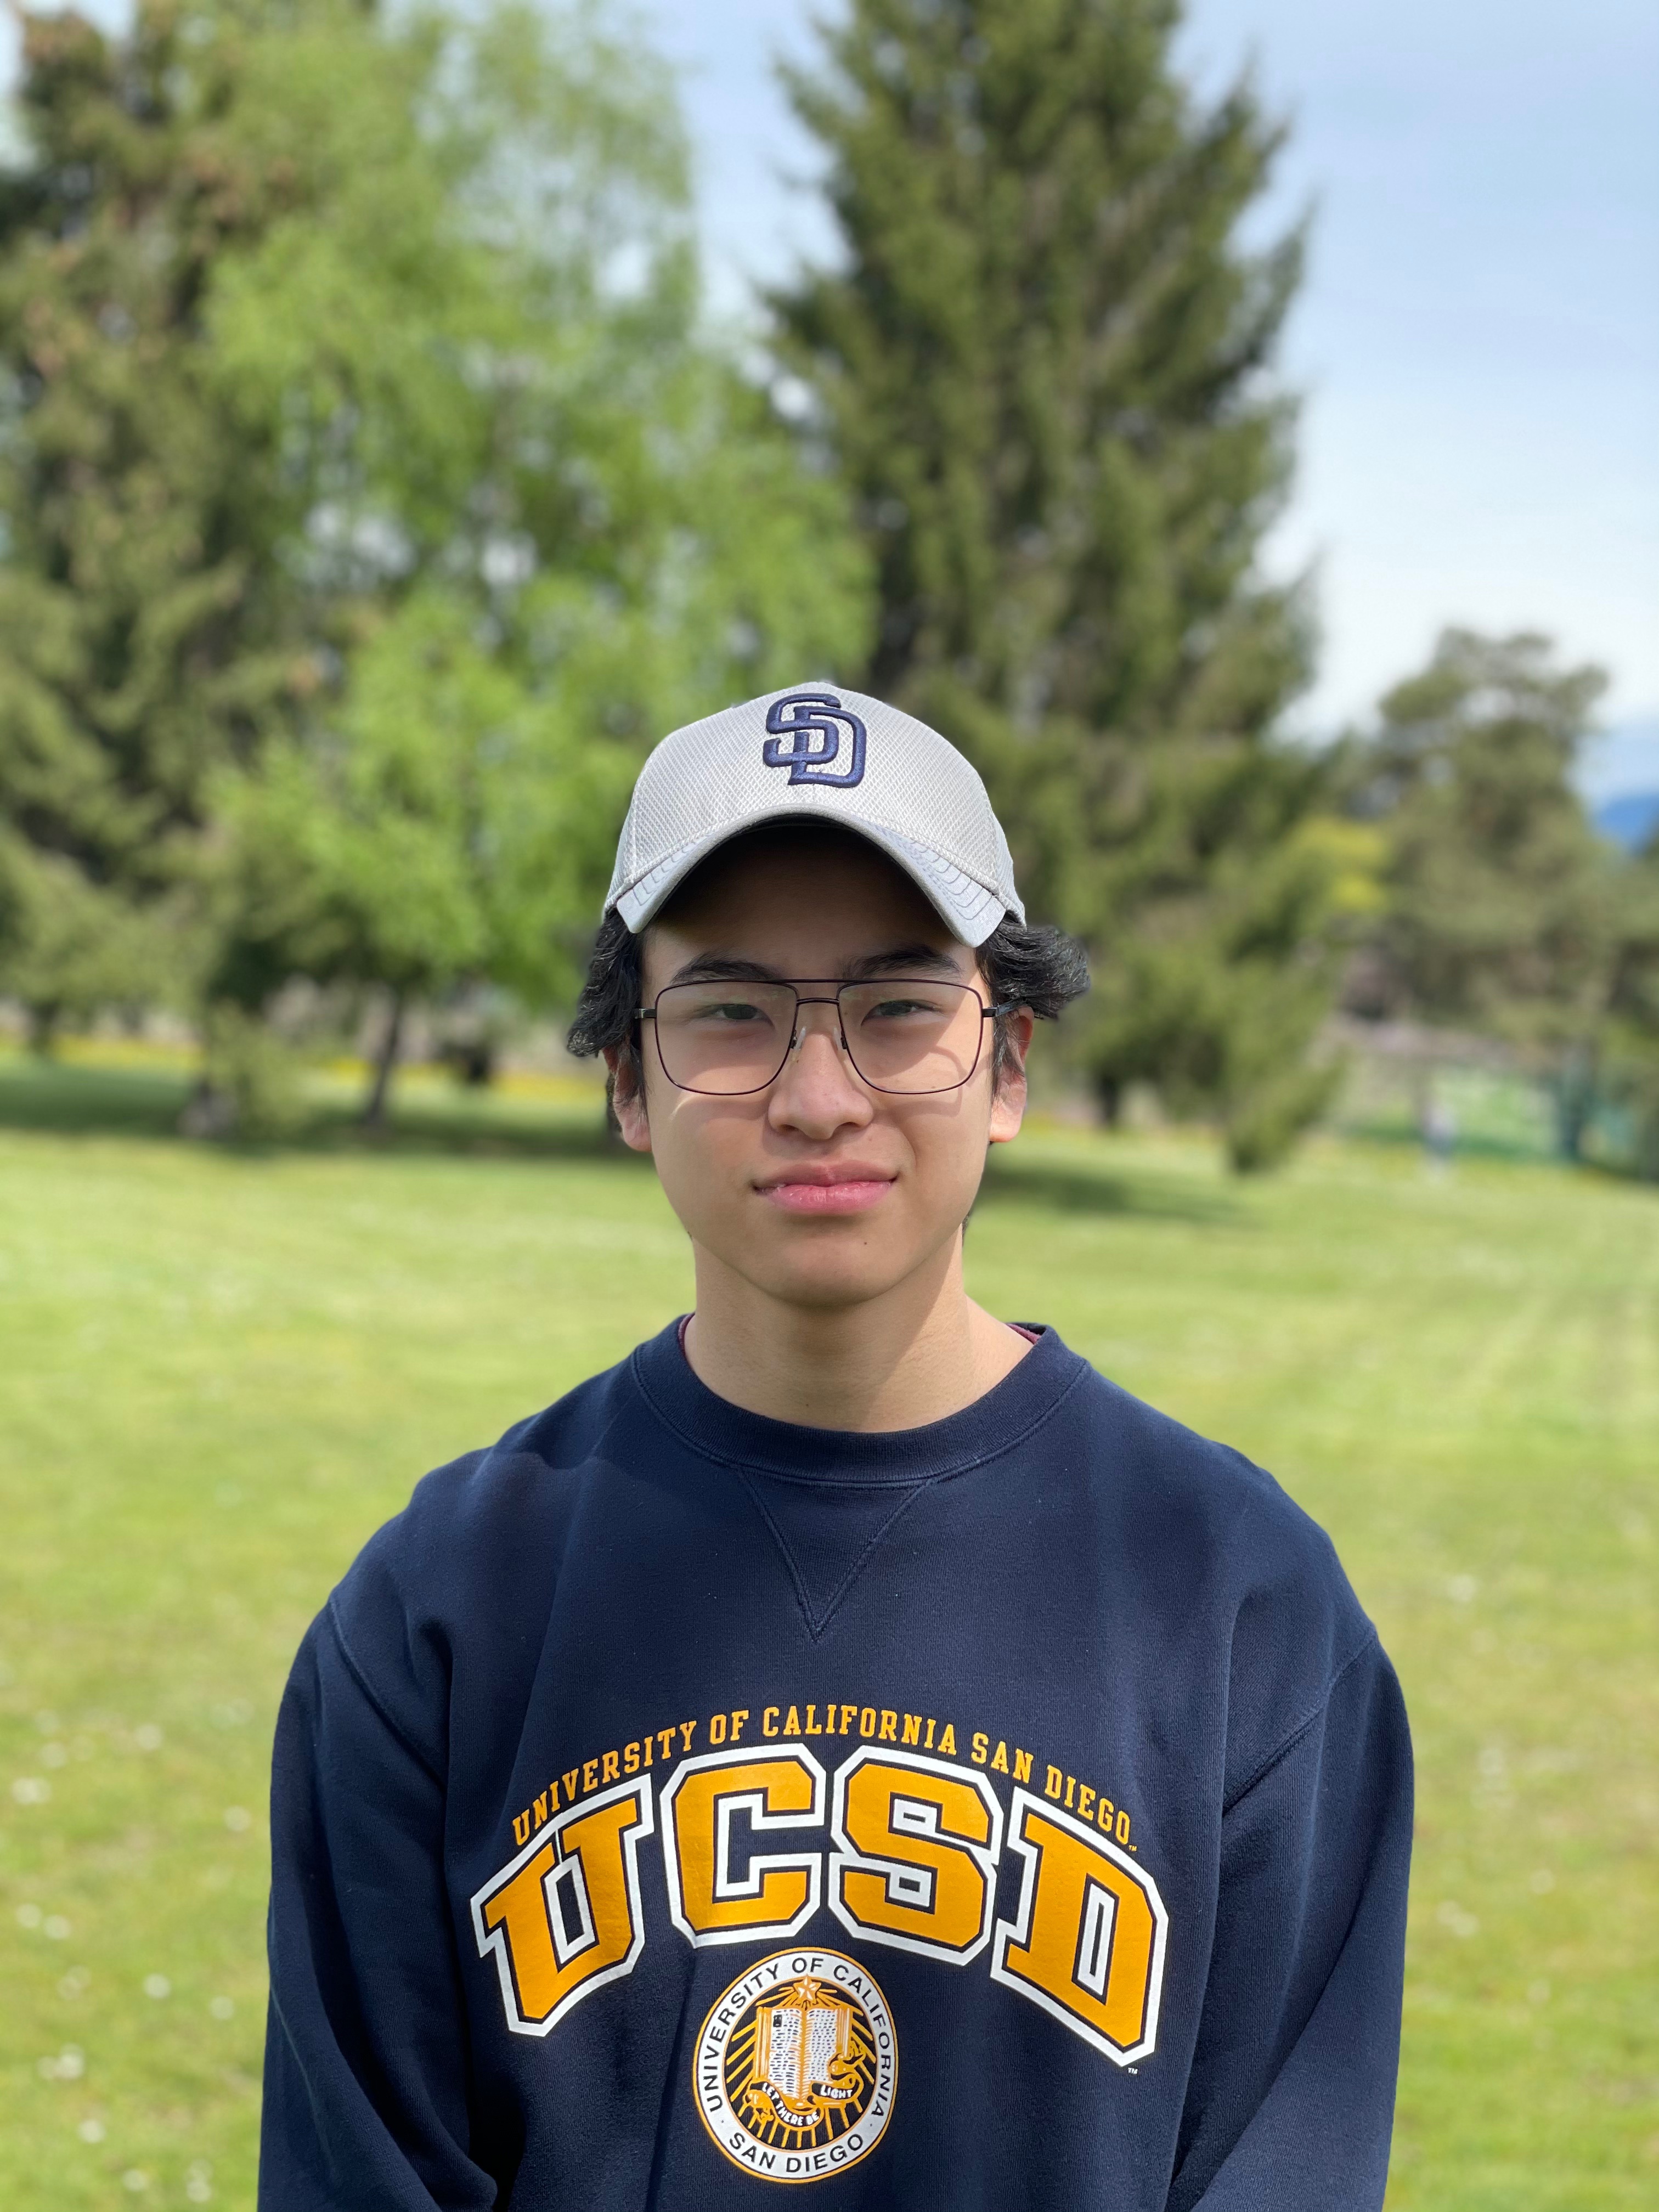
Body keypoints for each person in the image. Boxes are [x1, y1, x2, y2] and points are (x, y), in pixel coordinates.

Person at [260, 686, 1412, 2211]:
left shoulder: (1240, 1609)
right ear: (625, 1077)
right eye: (730, 1011)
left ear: (1007, 1066)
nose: (819, 1098)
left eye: (900, 1009)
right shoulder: (441, 1614)